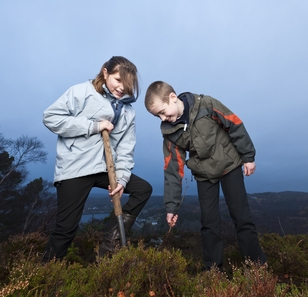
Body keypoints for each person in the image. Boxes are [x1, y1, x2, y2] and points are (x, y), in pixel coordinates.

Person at [144, 81, 266, 270]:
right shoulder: (170, 133)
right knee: (209, 223)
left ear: (173, 98)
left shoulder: (206, 105)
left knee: (242, 218)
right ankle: (213, 271)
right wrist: (171, 206)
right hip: (204, 175)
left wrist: (248, 156)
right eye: (157, 116)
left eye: (162, 112)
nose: (162, 118)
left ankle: (257, 268)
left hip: (229, 166)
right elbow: (173, 169)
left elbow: (233, 124)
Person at [42, 56, 152, 262]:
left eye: (127, 84)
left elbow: (126, 148)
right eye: (118, 80)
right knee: (66, 229)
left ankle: (109, 246)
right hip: (76, 168)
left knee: (143, 189)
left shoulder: (128, 111)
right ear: (105, 72)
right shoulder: (82, 92)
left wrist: (122, 180)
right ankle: (43, 275)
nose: (121, 88)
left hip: (105, 169)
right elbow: (51, 117)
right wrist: (93, 126)